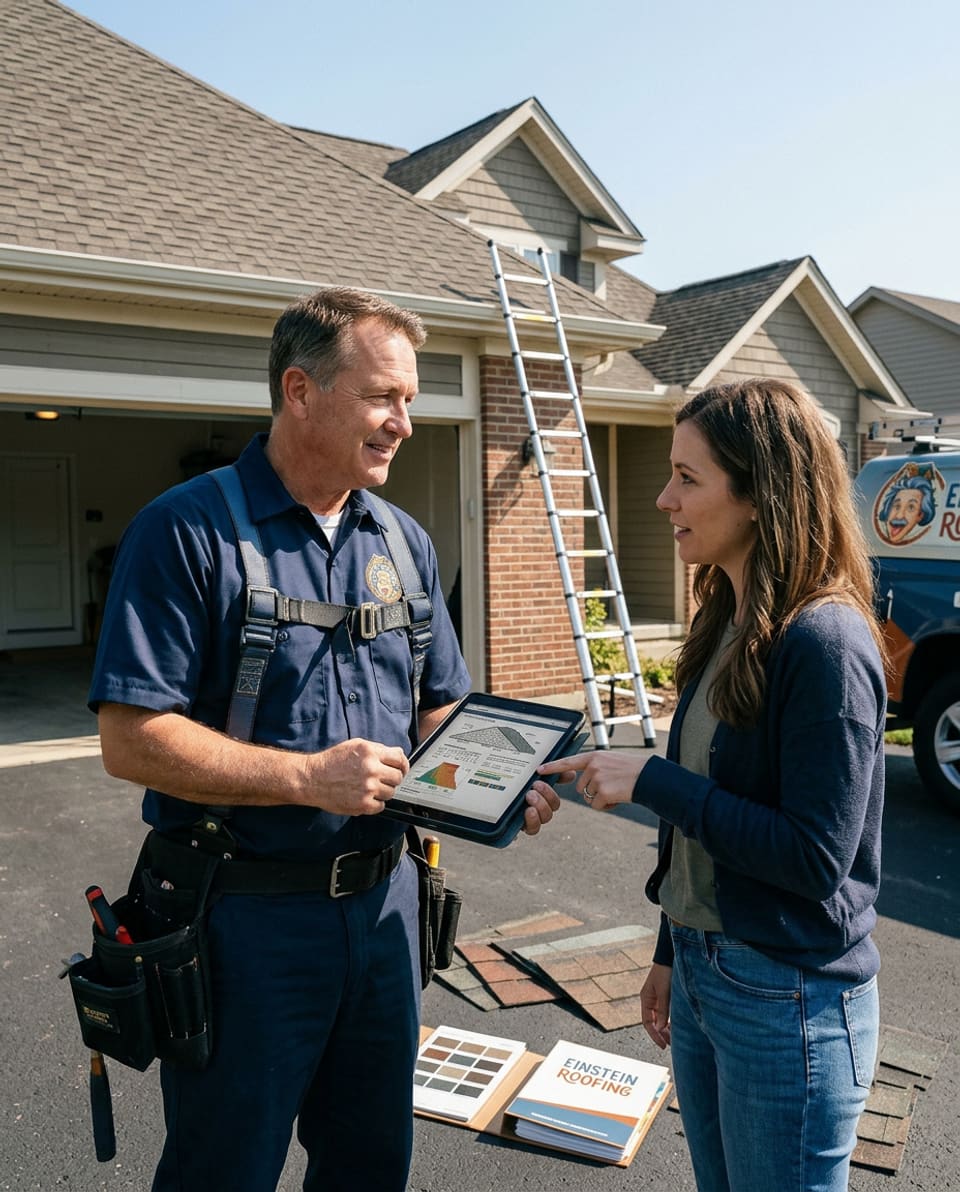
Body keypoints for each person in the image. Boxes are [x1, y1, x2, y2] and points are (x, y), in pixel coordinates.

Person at [89, 287, 560, 1192]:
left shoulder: (404, 541)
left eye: (411, 401)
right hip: (243, 923)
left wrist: (501, 779)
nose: (404, 423)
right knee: (223, 1169)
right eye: (384, 397)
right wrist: (308, 777)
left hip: (384, 914)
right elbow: (131, 739)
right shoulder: (185, 532)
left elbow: (436, 711)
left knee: (370, 1164)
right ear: (299, 390)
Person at [540, 379, 886, 1192]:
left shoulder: (825, 643)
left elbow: (812, 858)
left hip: (786, 995)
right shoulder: (727, 620)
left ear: (762, 492)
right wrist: (672, 947)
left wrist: (654, 782)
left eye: (688, 478)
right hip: (706, 972)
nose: (664, 499)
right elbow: (708, 823)